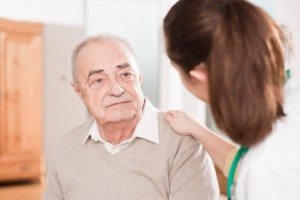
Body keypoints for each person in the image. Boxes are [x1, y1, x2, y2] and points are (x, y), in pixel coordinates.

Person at [42, 34, 219, 200]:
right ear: (79, 92)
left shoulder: (182, 144)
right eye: (98, 80)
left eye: (125, 75)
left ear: (139, 76)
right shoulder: (67, 146)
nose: (117, 90)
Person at [163, 0, 300, 200]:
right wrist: (196, 129)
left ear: (200, 76)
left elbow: (260, 168)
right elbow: (246, 161)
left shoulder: (267, 168)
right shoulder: (290, 96)